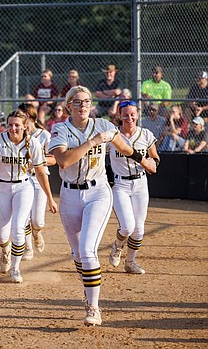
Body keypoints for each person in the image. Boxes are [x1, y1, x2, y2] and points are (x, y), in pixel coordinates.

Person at [48, 86, 156, 327]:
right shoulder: (60, 129)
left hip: (98, 192)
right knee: (78, 256)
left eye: (86, 101)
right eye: (77, 102)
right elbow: (63, 161)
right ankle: (88, 287)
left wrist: (143, 160)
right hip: (70, 195)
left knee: (88, 251)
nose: (83, 105)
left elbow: (124, 147)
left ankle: (93, 307)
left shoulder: (105, 125)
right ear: (68, 107)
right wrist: (94, 141)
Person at [0, 110, 57, 283]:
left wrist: (50, 198)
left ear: (25, 126)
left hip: (24, 187)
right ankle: (5, 251)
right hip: (1, 187)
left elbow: (40, 172)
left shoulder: (34, 143)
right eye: (10, 125)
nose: (13, 128)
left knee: (18, 229)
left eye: (17, 125)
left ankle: (15, 269)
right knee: (1, 236)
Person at [106, 100, 159, 277]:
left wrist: (154, 163)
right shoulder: (113, 136)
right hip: (120, 184)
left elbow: (155, 157)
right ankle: (117, 246)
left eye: (132, 114)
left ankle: (130, 262)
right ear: (119, 116)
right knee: (127, 227)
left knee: (139, 229)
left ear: (137, 114)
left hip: (140, 184)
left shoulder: (145, 134)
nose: (129, 117)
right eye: (126, 114)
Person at [18, 103, 57, 261]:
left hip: (39, 178)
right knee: (25, 217)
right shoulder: (17, 135)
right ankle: (28, 248)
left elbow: (54, 159)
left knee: (37, 220)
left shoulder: (44, 135)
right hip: (23, 179)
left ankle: (37, 233)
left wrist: (38, 161)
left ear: (29, 117)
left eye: (22, 116)